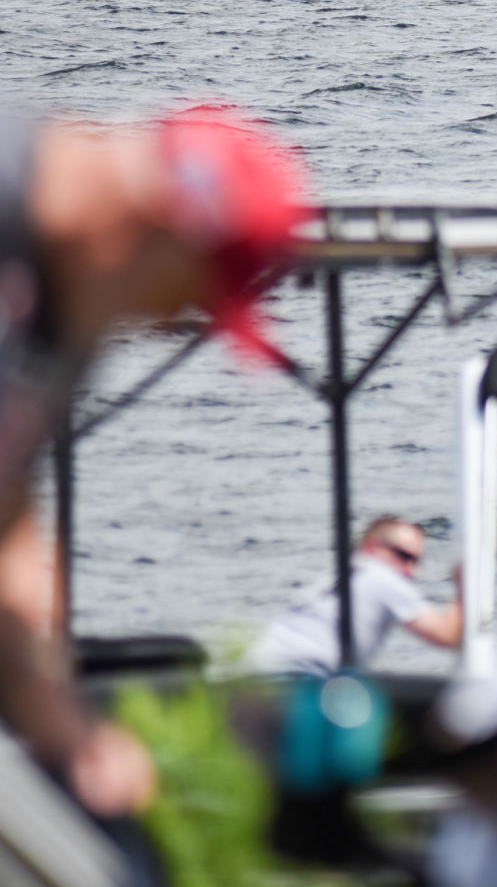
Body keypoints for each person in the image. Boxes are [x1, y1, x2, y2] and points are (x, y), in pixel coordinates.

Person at [0, 104, 305, 824]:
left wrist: (67, 729)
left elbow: (8, 522)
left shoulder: (72, 302)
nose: (175, 324)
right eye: (191, 294)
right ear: (158, 223)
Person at [249, 515, 463, 676]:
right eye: (403, 556)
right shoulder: (382, 576)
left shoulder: (338, 576)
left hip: (253, 673)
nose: (411, 571)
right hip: (296, 676)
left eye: (416, 561)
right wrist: (463, 585)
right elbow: (447, 635)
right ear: (371, 547)